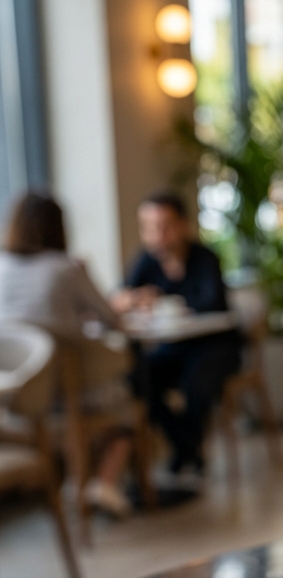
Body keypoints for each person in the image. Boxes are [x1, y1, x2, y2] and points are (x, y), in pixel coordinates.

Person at [0, 191, 136, 517]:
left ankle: (77, 483)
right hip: (69, 389)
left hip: (18, 396)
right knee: (130, 402)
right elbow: (111, 319)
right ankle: (102, 482)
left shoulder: (2, 267)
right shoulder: (66, 268)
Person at [118, 191, 240, 478]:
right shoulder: (146, 261)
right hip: (173, 348)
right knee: (138, 379)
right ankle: (186, 444)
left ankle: (184, 448)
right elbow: (122, 295)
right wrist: (134, 299)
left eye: (164, 225)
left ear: (183, 225)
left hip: (215, 346)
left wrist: (161, 299)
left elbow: (213, 304)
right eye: (149, 227)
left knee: (196, 384)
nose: (157, 234)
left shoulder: (205, 258)